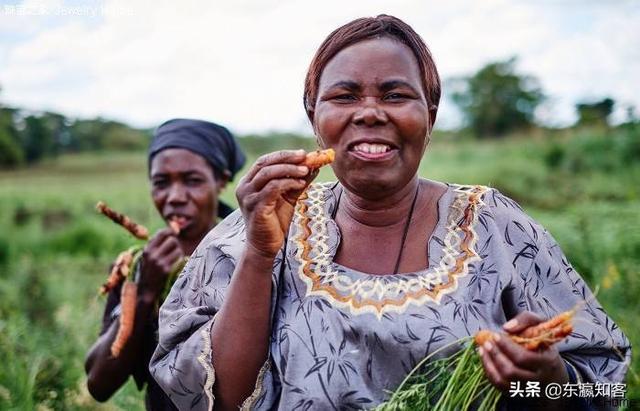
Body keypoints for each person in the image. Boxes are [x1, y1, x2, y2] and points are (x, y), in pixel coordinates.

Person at [149, 16, 630, 410]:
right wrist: (259, 252)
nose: (370, 113)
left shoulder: (497, 227)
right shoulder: (256, 226)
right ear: (316, 117)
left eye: (396, 95)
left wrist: (544, 382)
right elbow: (217, 399)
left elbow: (607, 389)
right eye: (345, 96)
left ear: (431, 114)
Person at [85, 119, 246, 410]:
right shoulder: (134, 268)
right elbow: (98, 383)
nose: (174, 197)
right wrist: (146, 291)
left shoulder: (249, 258)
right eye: (161, 183)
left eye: (192, 180)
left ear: (221, 181)